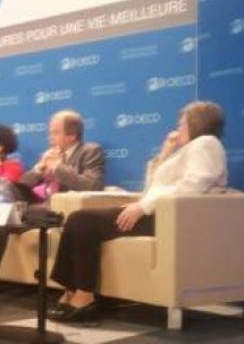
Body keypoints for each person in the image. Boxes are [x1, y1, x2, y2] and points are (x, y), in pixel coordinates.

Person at [49, 101, 228, 323]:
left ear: (197, 124)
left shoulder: (206, 143)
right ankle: (72, 291)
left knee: (82, 220)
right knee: (78, 219)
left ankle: (83, 296)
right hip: (157, 211)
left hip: (167, 218)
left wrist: (143, 207)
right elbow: (151, 186)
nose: (178, 129)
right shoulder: (189, 149)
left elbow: (195, 184)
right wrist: (167, 151)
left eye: (182, 124)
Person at [0, 110, 105, 311]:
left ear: (72, 136)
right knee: (6, 190)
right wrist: (40, 168)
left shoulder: (90, 151)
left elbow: (92, 185)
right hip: (35, 209)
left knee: (4, 213)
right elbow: (22, 185)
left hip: (59, 211)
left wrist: (58, 167)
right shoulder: (50, 154)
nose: (50, 137)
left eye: (55, 133)